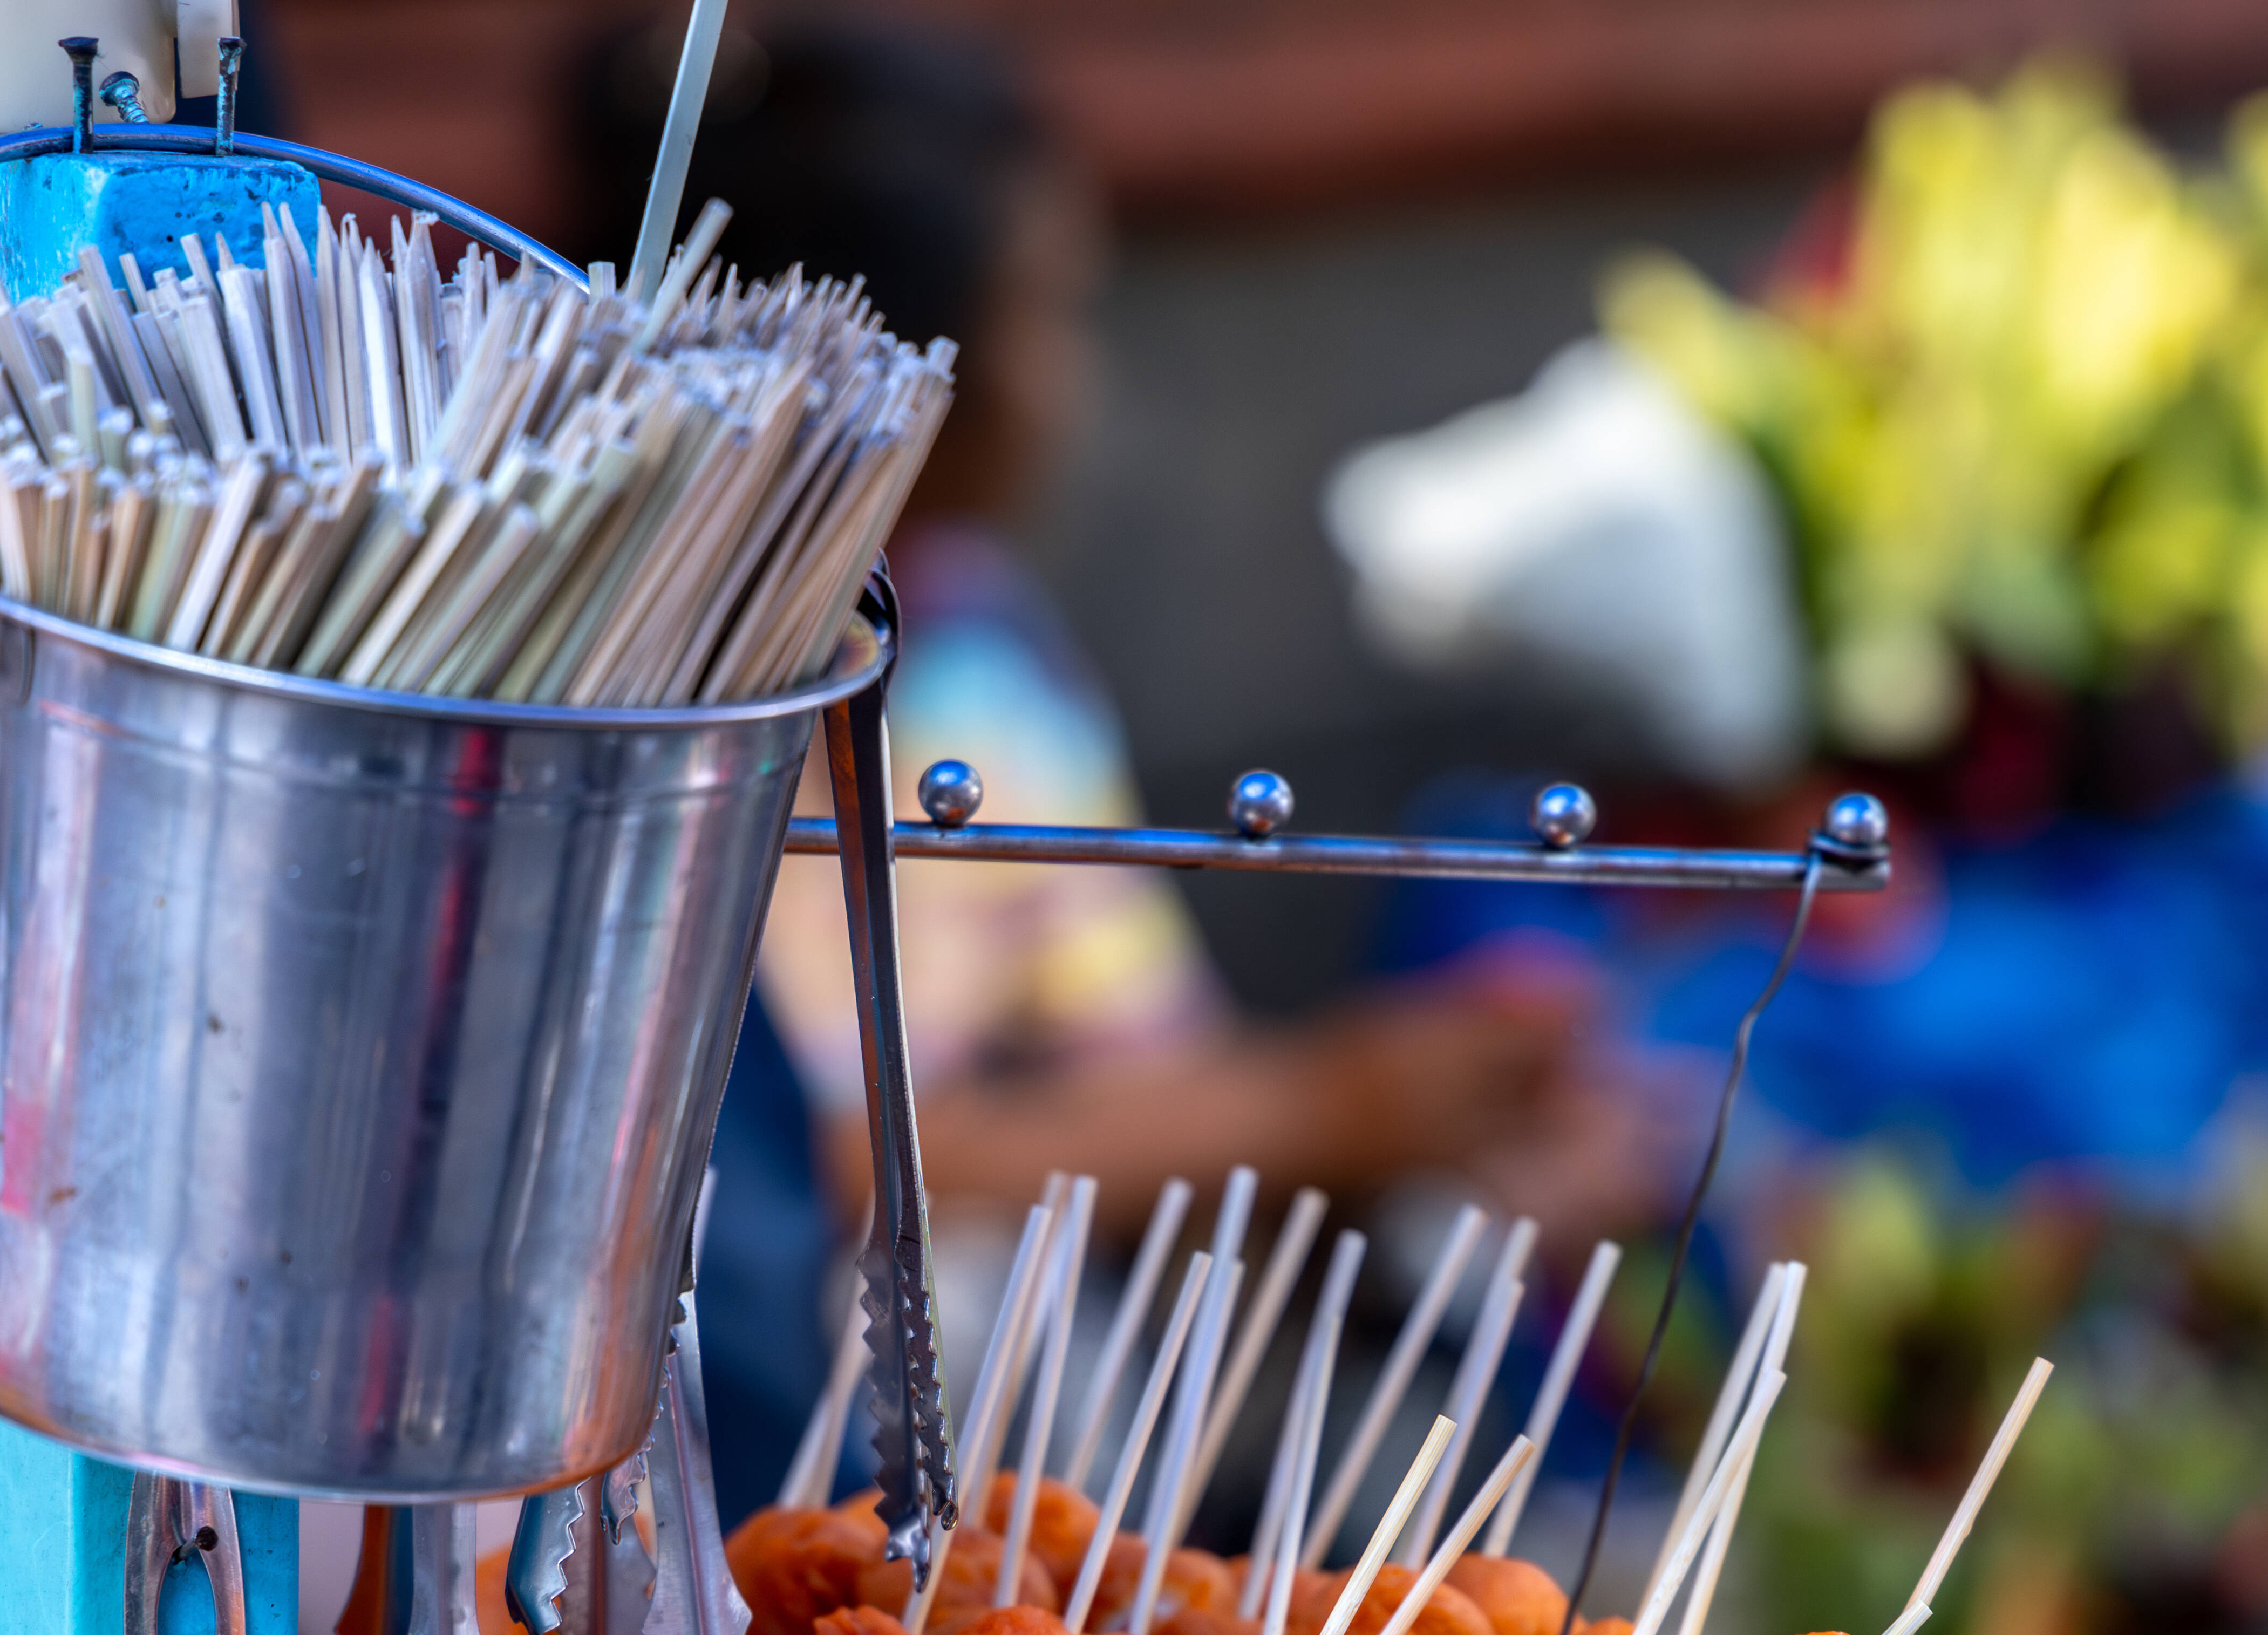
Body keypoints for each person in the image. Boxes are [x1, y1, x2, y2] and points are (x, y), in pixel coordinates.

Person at [568, 18, 1649, 1233]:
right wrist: (1317, 1114)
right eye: (1046, 310)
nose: (1077, 379)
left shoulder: (975, 642)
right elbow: (760, 1177)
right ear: (886, 367)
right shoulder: (622, 697)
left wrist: (1403, 1128)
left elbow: (1142, 1061)